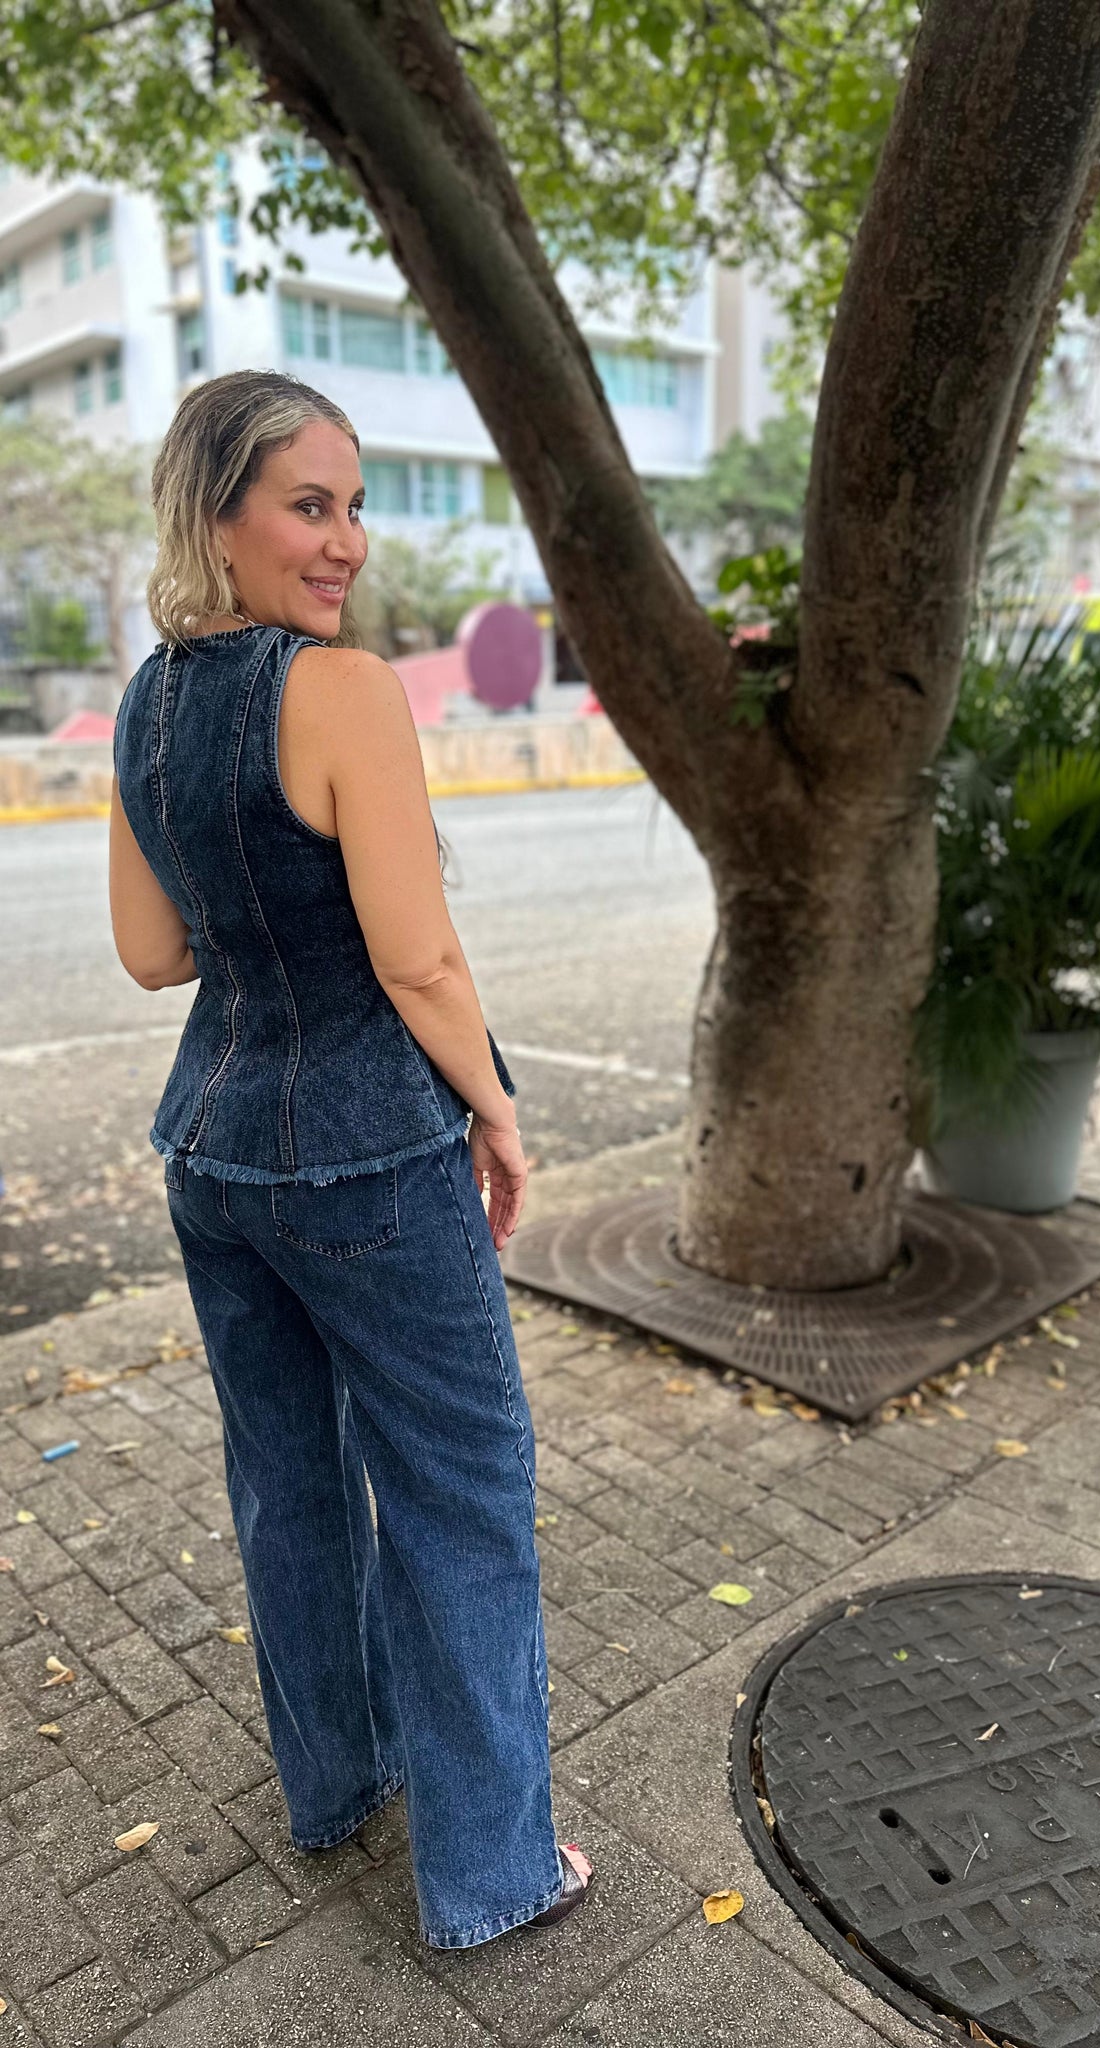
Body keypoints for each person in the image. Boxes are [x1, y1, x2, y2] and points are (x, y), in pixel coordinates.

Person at [107, 368, 592, 1948]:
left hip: (212, 1148)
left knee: (289, 1482)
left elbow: (151, 956)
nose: (348, 543)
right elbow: (420, 961)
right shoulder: (341, 690)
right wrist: (497, 1111)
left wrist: (255, 909)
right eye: (309, 505)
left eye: (355, 506)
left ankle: (333, 1788)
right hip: (370, 1154)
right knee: (461, 1489)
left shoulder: (145, 701)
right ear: (216, 516)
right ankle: (493, 1873)